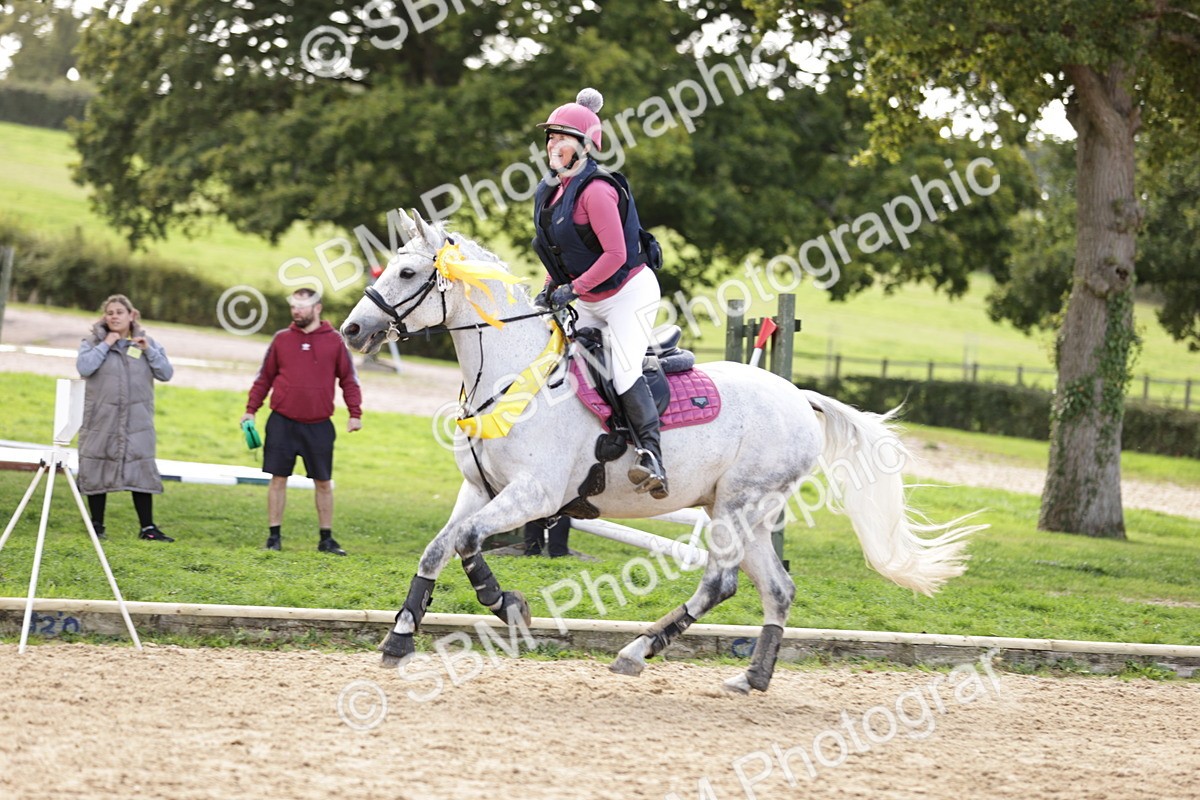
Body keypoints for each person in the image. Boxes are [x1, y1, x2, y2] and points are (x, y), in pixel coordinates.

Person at [531, 87, 669, 498]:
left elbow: (615, 254)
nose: (554, 143)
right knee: (558, 362)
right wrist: (549, 287)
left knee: (623, 369)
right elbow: (560, 253)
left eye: (563, 137)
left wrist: (572, 289)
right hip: (589, 297)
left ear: (585, 147)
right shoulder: (549, 192)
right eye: (551, 136)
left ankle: (651, 454)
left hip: (628, 292)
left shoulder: (597, 191)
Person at [241, 288, 363, 555]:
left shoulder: (335, 342)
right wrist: (251, 410)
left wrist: (355, 413)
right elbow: (264, 378)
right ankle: (274, 537)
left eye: (302, 306)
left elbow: (349, 380)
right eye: (293, 306)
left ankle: (326, 539)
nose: (296, 311)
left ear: (317, 308)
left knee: (323, 482)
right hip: (282, 422)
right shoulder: (281, 339)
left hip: (319, 425)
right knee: (278, 479)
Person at [76, 294, 176, 542]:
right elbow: (84, 367)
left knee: (140, 466)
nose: (114, 316)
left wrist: (148, 350)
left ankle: (148, 528)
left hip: (137, 421)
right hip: (102, 418)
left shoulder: (147, 344)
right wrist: (106, 344)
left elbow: (166, 373)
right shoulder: (91, 342)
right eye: (110, 312)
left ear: (132, 315)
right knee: (97, 465)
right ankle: (96, 526)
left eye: (120, 312)